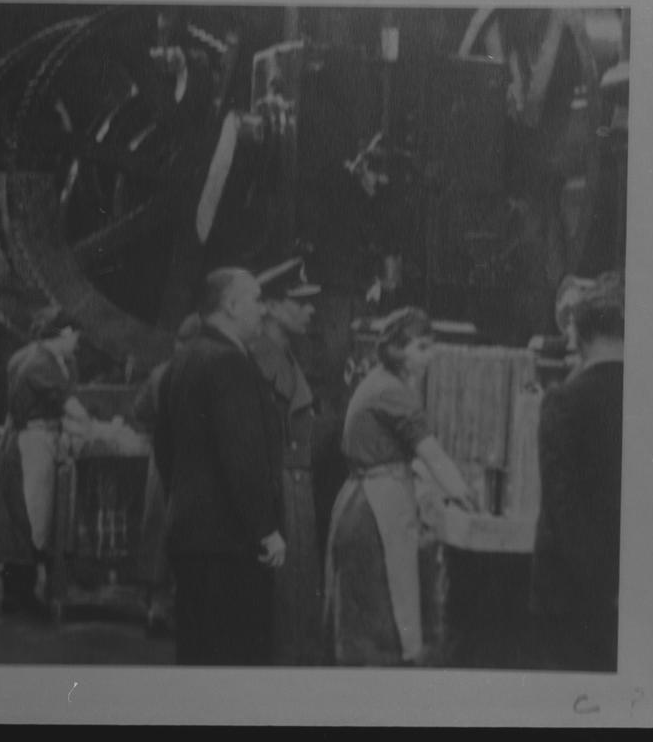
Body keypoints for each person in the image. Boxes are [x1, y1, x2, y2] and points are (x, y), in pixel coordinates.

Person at [324, 306, 478, 666]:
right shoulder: (393, 392)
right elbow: (432, 453)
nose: (431, 356)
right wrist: (465, 495)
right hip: (375, 511)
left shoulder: (380, 382)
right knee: (381, 610)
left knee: (368, 609)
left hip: (363, 500)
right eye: (422, 348)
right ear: (396, 350)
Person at [153, 267, 286, 665]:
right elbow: (242, 457)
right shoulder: (229, 363)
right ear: (230, 305)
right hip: (230, 547)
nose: (264, 310)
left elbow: (165, 449)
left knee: (196, 656)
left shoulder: (183, 360)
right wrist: (265, 530)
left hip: (190, 537)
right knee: (235, 662)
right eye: (257, 299)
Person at [529, 272, 624, 671]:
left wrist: (602, 589)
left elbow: (563, 513)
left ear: (579, 334)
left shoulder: (563, 403)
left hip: (571, 602)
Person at [0, 304, 90, 617]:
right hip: (33, 445)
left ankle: (15, 592)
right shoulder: (43, 363)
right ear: (65, 333)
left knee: (17, 517)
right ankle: (19, 597)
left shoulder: (23, 355)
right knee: (28, 519)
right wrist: (93, 428)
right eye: (76, 337)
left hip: (22, 440)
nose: (77, 344)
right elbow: (71, 407)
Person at [251, 256, 324, 665]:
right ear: (272, 308)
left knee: (296, 596)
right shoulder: (259, 358)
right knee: (282, 600)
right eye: (300, 302)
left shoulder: (286, 355)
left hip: (296, 483)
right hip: (279, 485)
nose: (311, 309)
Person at [132, 312, 202, 636]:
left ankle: (155, 608)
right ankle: (180, 610)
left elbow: (140, 412)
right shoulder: (204, 371)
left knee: (157, 533)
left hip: (159, 464)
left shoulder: (160, 372)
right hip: (194, 466)